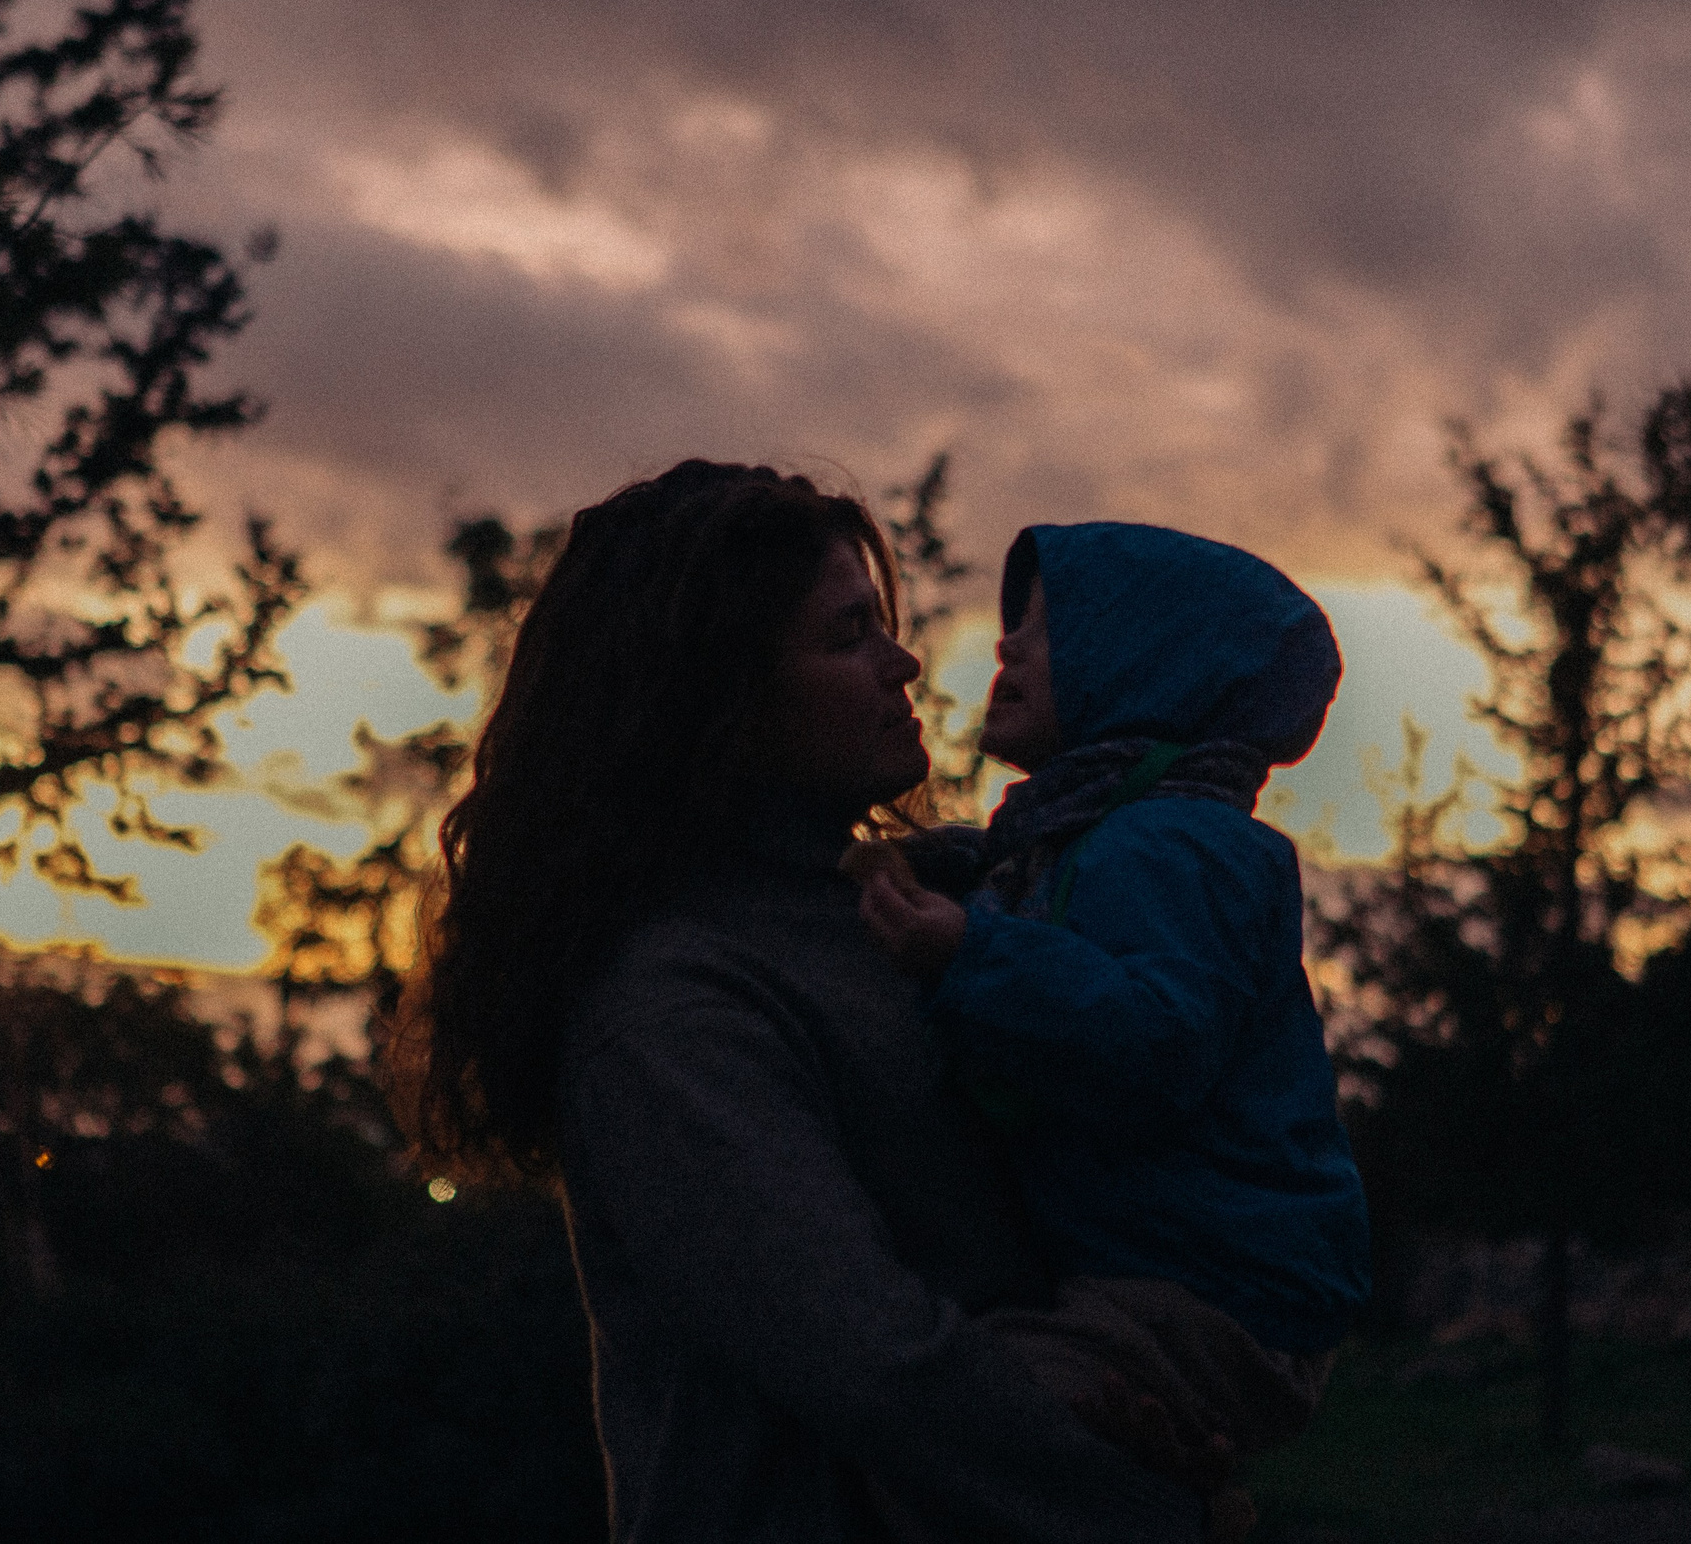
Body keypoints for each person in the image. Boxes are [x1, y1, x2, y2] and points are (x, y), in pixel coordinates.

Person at [391, 464, 1202, 1544]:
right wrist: (1146, 1508)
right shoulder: (673, 1007)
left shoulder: (902, 908)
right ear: (718, 703)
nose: (902, 660)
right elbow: (873, 1361)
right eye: (846, 636)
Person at [854, 522, 1371, 1480]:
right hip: (1164, 1275)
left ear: (1147, 669)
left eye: (1050, 631)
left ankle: (1191, 1502)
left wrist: (967, 953)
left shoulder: (1175, 845)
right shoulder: (1085, 841)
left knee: (978, 1413)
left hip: (1217, 1294)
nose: (1005, 646)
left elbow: (1156, 1043)